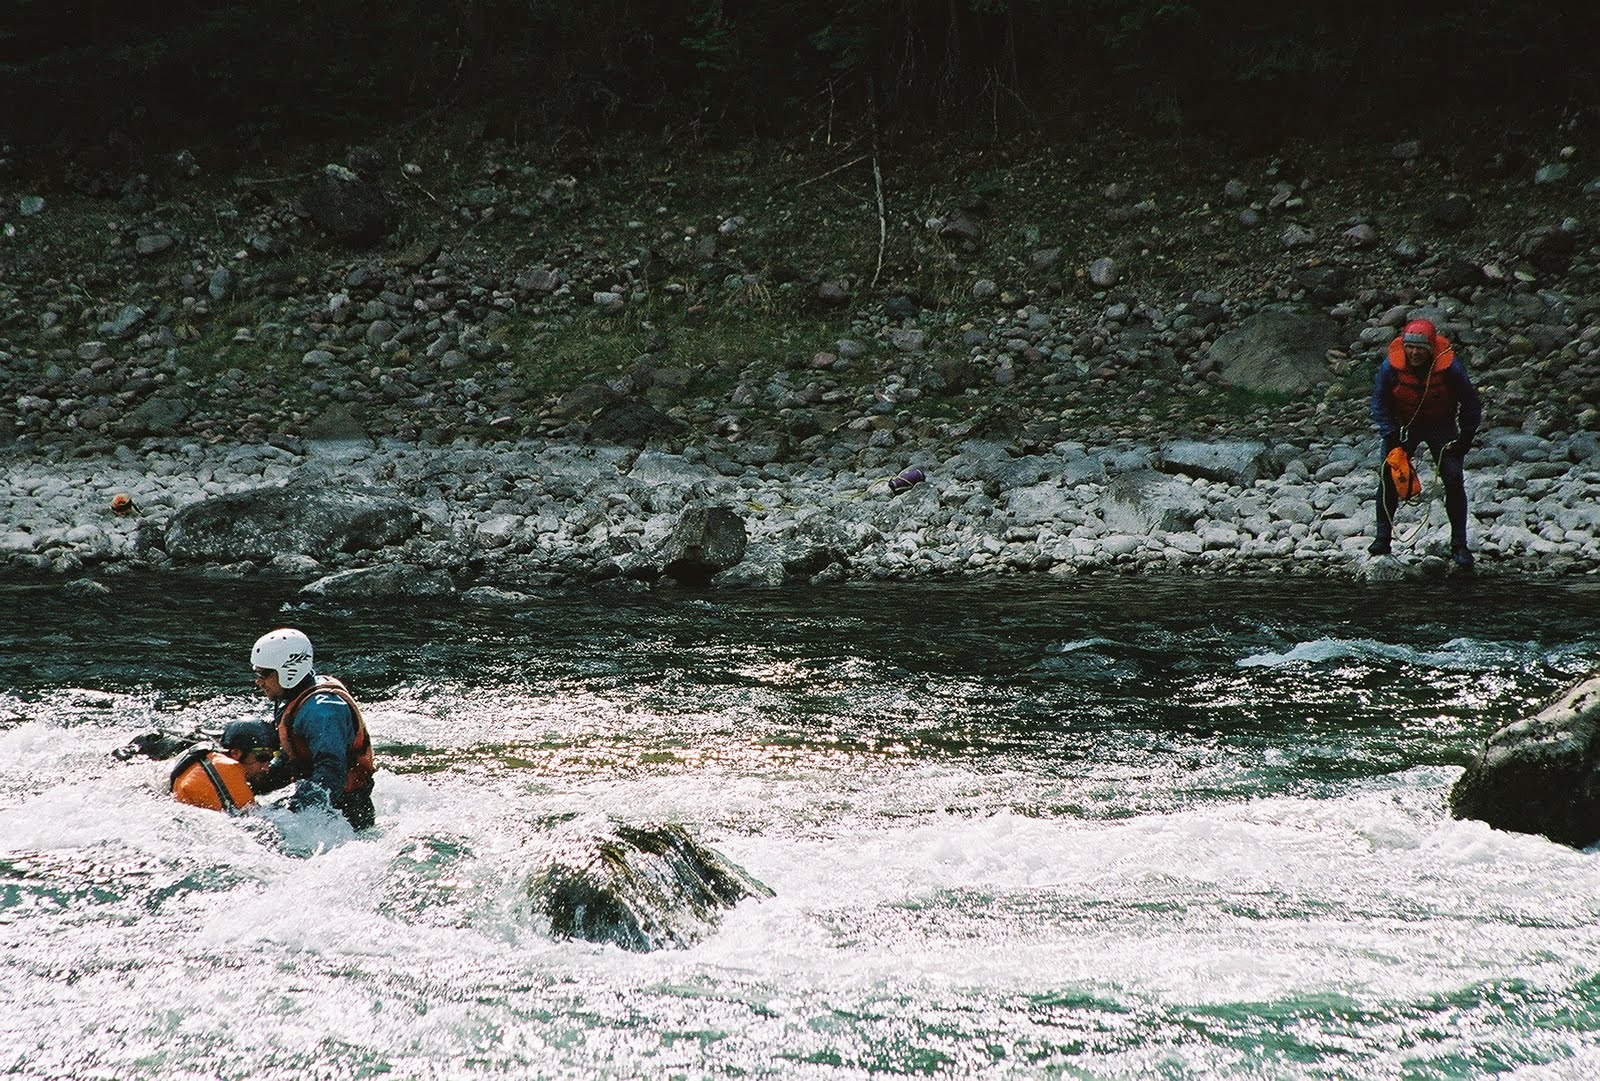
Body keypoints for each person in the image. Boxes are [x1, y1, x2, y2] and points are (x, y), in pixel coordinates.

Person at [1369, 318, 1482, 569]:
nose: (1414, 353)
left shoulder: (1451, 369)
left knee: (1453, 479)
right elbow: (1379, 402)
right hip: (1403, 426)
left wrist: (1465, 438)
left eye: (1420, 348)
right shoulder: (1390, 367)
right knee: (1388, 477)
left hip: (1441, 426)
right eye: (1410, 347)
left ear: (1431, 348)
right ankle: (1382, 539)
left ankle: (1460, 545)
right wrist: (1390, 434)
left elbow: (1471, 403)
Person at [246, 628, 377, 830]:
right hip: (329, 805)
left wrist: (291, 811)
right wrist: (250, 786)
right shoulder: (295, 696)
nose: (258, 682)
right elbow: (290, 761)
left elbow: (332, 771)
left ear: (288, 670)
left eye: (264, 674)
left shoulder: (323, 711)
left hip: (348, 816)